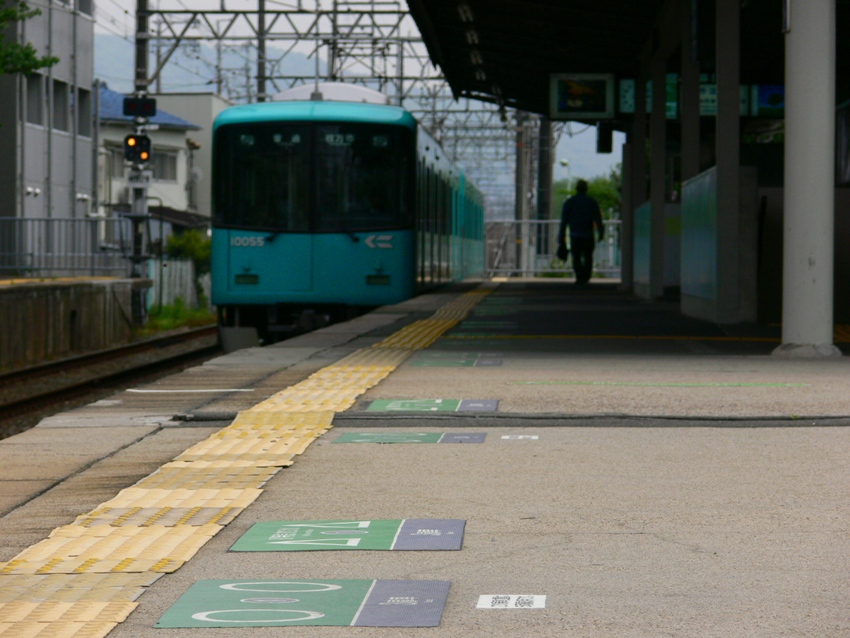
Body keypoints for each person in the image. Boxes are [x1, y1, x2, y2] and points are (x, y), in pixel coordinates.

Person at [557, 179, 604, 285]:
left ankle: (579, 277)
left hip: (575, 234)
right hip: (588, 234)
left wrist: (561, 237)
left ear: (576, 189)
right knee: (588, 256)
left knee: (576, 256)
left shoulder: (570, 202)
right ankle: (586, 277)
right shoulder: (591, 202)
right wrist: (601, 232)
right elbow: (598, 219)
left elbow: (564, 221)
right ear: (586, 189)